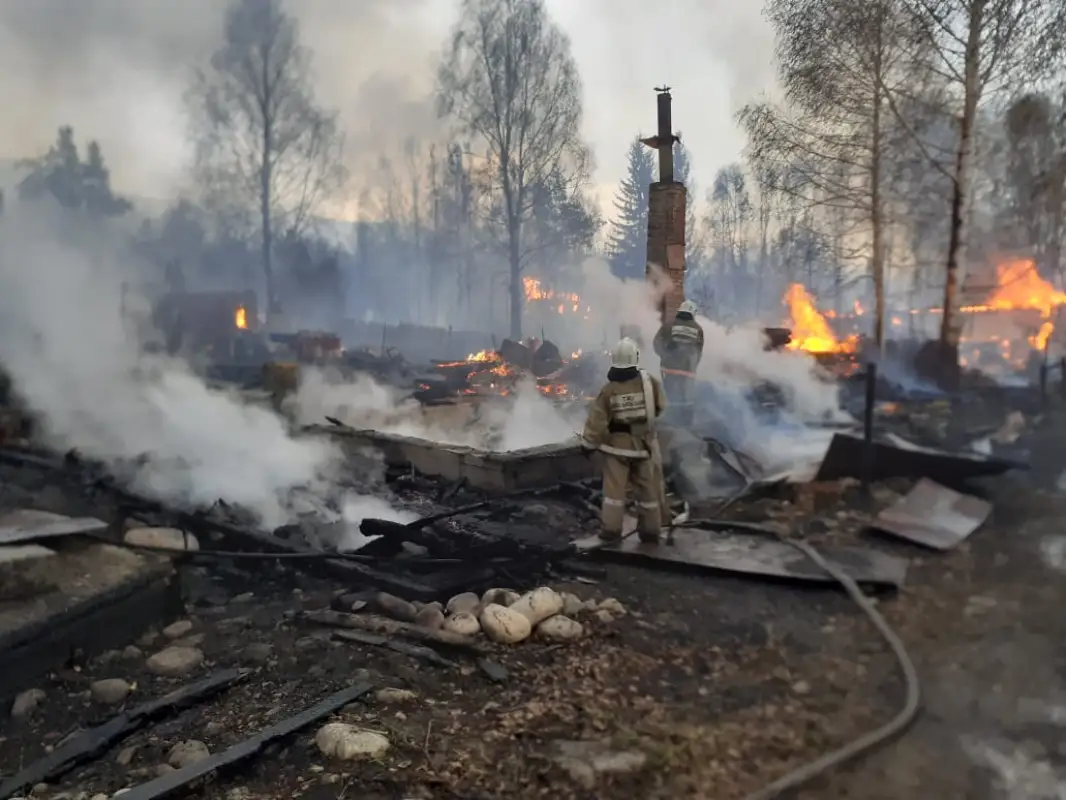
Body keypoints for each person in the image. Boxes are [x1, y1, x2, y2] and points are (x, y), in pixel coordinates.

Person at [581, 337, 668, 543]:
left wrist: (587, 445)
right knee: (647, 490)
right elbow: (661, 407)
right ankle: (650, 531)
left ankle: (611, 531)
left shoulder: (609, 390)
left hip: (616, 450)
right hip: (643, 446)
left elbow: (597, 422)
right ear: (635, 358)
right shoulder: (649, 383)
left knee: (614, 493)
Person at [653, 299, 704, 425]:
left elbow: (656, 343)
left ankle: (669, 424)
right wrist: (692, 366)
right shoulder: (698, 329)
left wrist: (664, 355)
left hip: (668, 369)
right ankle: (685, 426)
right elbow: (699, 352)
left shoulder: (668, 325)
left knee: (670, 398)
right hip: (688, 372)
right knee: (686, 400)